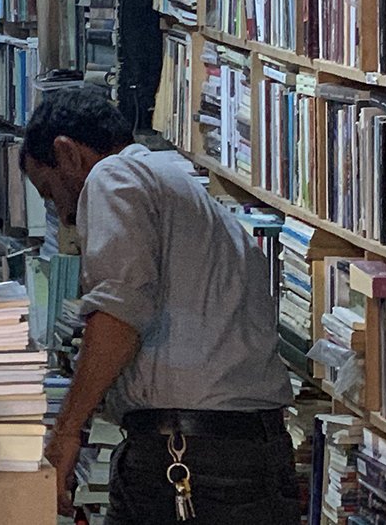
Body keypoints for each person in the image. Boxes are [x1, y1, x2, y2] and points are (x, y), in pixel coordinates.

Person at [19, 83, 297, 524]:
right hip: (249, 450)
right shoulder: (180, 187)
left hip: (191, 458)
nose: (64, 216)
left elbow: (118, 312)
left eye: (50, 191)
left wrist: (66, 432)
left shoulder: (112, 177)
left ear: (67, 153)